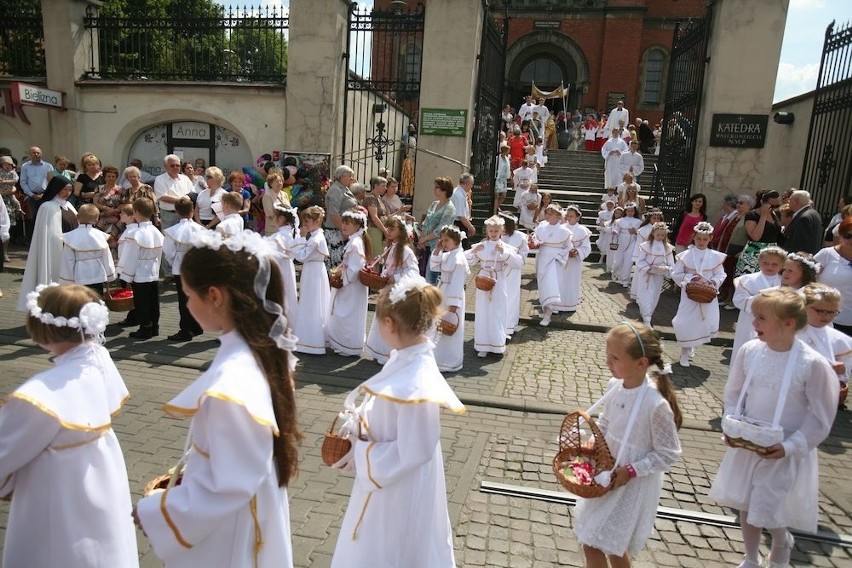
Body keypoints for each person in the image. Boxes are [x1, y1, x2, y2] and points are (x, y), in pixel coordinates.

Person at [134, 229, 300, 567]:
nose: (186, 305)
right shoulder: (257, 350)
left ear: (214, 296)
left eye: (187, 296)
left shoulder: (232, 383)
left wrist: (156, 512)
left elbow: (229, 484)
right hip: (245, 512)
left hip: (231, 528)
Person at [330, 276, 464, 567]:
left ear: (389, 324)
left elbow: (416, 450)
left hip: (398, 489)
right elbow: (382, 407)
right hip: (385, 481)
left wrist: (362, 452)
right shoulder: (403, 358)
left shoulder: (418, 379)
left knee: (393, 551)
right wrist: (357, 425)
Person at [2, 284, 138, 567]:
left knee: (56, 551)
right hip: (100, 481)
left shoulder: (38, 395)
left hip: (56, 494)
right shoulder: (97, 359)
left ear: (41, 328)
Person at [709, 289, 838, 568]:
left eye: (762, 318)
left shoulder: (812, 364)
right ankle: (751, 556)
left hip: (783, 447)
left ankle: (781, 540)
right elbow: (734, 392)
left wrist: (791, 446)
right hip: (749, 441)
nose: (754, 323)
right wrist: (732, 422)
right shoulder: (750, 351)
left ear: (788, 323)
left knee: (767, 505)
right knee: (745, 501)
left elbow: (821, 415)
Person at [573, 322, 682, 567]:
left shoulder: (655, 405)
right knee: (592, 543)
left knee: (612, 545)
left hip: (630, 484)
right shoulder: (615, 387)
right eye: (607, 356)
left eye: (614, 358)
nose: (607, 363)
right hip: (607, 472)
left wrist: (632, 470)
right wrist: (594, 442)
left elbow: (668, 453)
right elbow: (607, 421)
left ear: (641, 363)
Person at [17, 176, 79, 311]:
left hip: (70, 251)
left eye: (70, 190)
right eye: (64, 190)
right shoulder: (47, 207)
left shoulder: (69, 205)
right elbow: (49, 236)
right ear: (56, 189)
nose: (67, 193)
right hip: (57, 251)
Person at [364, 216, 420, 364]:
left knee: (391, 321)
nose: (388, 231)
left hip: (397, 291)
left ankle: (389, 353)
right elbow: (389, 268)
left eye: (392, 229)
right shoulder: (390, 246)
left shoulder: (406, 250)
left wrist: (395, 278)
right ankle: (380, 352)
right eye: (387, 228)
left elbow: (414, 271)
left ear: (401, 231)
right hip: (387, 289)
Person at [671, 221, 726, 367]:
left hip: (707, 293)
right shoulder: (686, 255)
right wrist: (690, 279)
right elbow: (676, 273)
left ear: (710, 239)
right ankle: (684, 350)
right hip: (689, 292)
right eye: (699, 238)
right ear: (694, 237)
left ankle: (691, 346)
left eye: (705, 239)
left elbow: (720, 274)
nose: (701, 242)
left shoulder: (715, 256)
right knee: (685, 320)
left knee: (701, 321)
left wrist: (712, 282)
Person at [466, 215, 523, 357]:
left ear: (501, 231)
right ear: (487, 231)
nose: (493, 234)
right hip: (483, 280)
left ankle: (497, 344)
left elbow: (518, 264)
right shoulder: (482, 246)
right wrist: (473, 251)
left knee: (497, 311)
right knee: (483, 312)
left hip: (499, 281)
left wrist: (504, 252)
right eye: (490, 231)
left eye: (496, 231)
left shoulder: (507, 247)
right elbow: (467, 261)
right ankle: (483, 344)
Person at [799, 284, 852, 406]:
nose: (826, 316)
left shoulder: (841, 341)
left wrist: (841, 371)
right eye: (820, 311)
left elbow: (844, 373)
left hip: (817, 395)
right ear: (804, 306)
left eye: (832, 312)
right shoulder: (788, 330)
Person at [327, 209, 371, 357]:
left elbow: (355, 268)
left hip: (352, 286)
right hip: (350, 285)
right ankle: (343, 343)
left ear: (357, 225)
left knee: (347, 314)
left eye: (348, 223)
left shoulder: (356, 243)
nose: (343, 225)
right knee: (344, 312)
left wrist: (341, 276)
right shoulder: (354, 240)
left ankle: (348, 345)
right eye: (343, 222)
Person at [730, 246, 786, 360]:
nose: (769, 267)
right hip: (750, 321)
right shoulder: (747, 280)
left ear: (782, 264)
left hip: (776, 322)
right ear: (759, 262)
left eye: (775, 264)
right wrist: (767, 295)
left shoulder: (784, 281)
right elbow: (739, 300)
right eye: (766, 263)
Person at [163, 196, 206, 342]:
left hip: (180, 267)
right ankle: (197, 325)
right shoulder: (200, 229)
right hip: (196, 267)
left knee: (184, 300)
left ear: (176, 211)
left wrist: (175, 261)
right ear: (192, 210)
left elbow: (168, 252)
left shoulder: (172, 231)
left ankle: (186, 330)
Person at [119, 198, 164, 340]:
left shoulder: (135, 234)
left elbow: (131, 257)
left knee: (141, 302)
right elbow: (160, 254)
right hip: (153, 272)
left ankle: (145, 328)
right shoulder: (156, 231)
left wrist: (126, 276)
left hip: (139, 273)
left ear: (136, 212)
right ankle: (154, 327)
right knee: (153, 301)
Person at [290, 205, 330, 355]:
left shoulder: (316, 238)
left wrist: (300, 237)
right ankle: (310, 338)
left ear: (317, 220)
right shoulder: (315, 236)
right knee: (311, 302)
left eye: (307, 221)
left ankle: (312, 341)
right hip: (313, 271)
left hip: (314, 272)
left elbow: (302, 256)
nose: (305, 225)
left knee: (313, 303)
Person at [430, 225, 469, 372]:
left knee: (449, 326)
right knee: (438, 325)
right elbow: (434, 267)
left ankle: (449, 360)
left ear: (455, 240)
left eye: (446, 240)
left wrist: (454, 304)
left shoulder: (459, 258)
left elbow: (458, 283)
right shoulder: (448, 255)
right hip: (443, 290)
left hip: (452, 294)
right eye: (442, 240)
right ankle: (437, 357)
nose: (444, 243)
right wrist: (438, 249)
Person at [59, 204, 115, 297]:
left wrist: (66, 281)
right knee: (97, 300)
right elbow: (107, 258)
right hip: (98, 275)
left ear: (77, 217)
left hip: (80, 276)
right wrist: (110, 275)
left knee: (81, 302)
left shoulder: (71, 237)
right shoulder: (100, 236)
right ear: (97, 219)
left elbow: (68, 261)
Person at [534, 204, 572, 326]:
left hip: (554, 260)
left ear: (557, 216)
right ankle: (545, 308)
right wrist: (536, 243)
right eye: (546, 213)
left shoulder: (564, 231)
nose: (547, 216)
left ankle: (548, 314)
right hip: (542, 257)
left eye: (550, 214)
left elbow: (568, 247)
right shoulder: (541, 227)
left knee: (551, 285)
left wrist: (559, 256)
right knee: (542, 284)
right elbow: (535, 239)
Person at [815, 216, 852, 336]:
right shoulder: (826, 254)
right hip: (822, 318)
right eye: (848, 235)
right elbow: (808, 280)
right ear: (840, 236)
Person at [634, 222, 676, 327]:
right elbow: (640, 261)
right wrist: (648, 268)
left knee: (654, 295)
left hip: (658, 276)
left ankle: (648, 315)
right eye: (658, 235)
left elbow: (671, 263)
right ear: (653, 233)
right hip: (647, 275)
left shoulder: (667, 248)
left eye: (662, 235)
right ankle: (646, 317)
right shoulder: (646, 246)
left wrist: (665, 269)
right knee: (645, 295)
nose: (660, 237)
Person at [418, 177, 456, 283]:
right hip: (426, 245)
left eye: (437, 187)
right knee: (424, 275)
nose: (434, 189)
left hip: (438, 246)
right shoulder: (434, 204)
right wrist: (422, 239)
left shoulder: (450, 208)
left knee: (432, 277)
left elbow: (441, 229)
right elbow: (426, 222)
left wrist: (425, 238)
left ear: (444, 190)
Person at [267, 206, 300, 329]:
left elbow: (272, 253)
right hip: (288, 267)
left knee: (278, 296)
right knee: (288, 296)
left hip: (279, 268)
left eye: (275, 217)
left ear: (281, 218)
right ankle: (290, 325)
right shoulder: (290, 233)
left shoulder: (279, 236)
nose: (273, 219)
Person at [736, 190, 782, 276]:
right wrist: (763, 216)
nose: (773, 208)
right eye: (771, 206)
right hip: (755, 254)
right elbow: (755, 237)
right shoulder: (751, 215)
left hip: (772, 254)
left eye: (776, 206)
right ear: (762, 202)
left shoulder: (775, 214)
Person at [556, 205, 592, 313]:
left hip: (574, 262)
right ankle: (558, 304)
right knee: (560, 280)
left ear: (578, 217)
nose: (569, 218)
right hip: (562, 259)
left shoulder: (582, 230)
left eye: (572, 216)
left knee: (571, 281)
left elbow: (586, 247)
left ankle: (570, 303)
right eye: (568, 216)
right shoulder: (561, 228)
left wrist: (577, 252)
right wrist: (565, 252)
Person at [324, 166, 359, 268]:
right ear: (341, 176)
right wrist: (344, 231)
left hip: (343, 230)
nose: (352, 178)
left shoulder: (344, 188)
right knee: (336, 263)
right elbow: (334, 214)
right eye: (349, 176)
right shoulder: (336, 190)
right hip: (336, 232)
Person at [500, 213, 528, 337]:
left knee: (511, 298)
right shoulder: (496, 235)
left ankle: (509, 326)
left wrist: (511, 257)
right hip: (499, 272)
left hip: (512, 272)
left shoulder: (520, 237)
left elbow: (522, 257)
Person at [154, 154, 194, 231]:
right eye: (172, 165)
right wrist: (184, 200)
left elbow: (192, 194)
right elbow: (163, 197)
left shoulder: (185, 179)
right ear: (165, 167)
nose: (175, 167)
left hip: (186, 216)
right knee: (169, 239)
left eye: (177, 165)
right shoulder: (160, 179)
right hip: (169, 216)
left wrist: (187, 198)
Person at [781, 189, 823, 255]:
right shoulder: (814, 213)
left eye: (790, 199)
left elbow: (800, 243)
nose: (788, 202)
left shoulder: (804, 218)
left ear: (796, 201)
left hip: (800, 259)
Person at [611, 203, 642, 287]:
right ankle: (616, 273)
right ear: (625, 211)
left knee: (628, 261)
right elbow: (616, 229)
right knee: (618, 260)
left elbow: (640, 232)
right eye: (628, 211)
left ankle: (625, 279)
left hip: (632, 241)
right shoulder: (620, 221)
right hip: (621, 240)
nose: (630, 213)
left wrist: (635, 233)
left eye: (632, 211)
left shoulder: (638, 222)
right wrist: (615, 232)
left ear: (634, 212)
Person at [19, 146, 53, 218]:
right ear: (30, 154)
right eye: (34, 153)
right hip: (32, 197)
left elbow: (52, 182)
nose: (36, 154)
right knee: (34, 218)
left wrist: (46, 194)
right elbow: (23, 182)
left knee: (46, 217)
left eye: (38, 153)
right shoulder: (25, 166)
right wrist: (32, 195)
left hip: (45, 196)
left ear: (41, 154)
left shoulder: (48, 166)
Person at [261, 171, 291, 236]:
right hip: (273, 229)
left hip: (286, 228)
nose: (279, 183)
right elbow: (269, 213)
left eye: (280, 181)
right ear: (271, 184)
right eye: (277, 181)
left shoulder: (285, 194)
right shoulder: (267, 196)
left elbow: (289, 209)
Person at [450, 173, 476, 247]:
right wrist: (471, 228)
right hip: (458, 225)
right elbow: (461, 216)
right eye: (471, 184)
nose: (471, 186)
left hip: (461, 224)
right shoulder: (459, 195)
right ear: (467, 183)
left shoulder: (459, 193)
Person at [494, 144, 511, 213]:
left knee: (504, 195)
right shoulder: (497, 158)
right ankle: (494, 210)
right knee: (497, 196)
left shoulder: (507, 158)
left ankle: (497, 206)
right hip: (498, 178)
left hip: (504, 179)